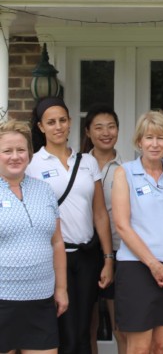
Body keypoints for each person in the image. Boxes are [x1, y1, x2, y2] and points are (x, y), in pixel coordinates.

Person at [27, 97, 114, 354]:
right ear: (41, 127)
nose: (58, 127)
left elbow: (100, 213)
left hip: (87, 257)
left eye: (62, 120)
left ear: (70, 122)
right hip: (53, 258)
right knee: (63, 330)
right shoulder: (32, 164)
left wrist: (108, 258)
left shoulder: (87, 162)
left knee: (84, 329)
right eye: (51, 122)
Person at [112, 110, 163, 354]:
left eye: (160, 138)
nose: (154, 144)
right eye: (149, 137)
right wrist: (153, 264)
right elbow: (122, 225)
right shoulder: (124, 172)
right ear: (139, 141)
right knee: (139, 348)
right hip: (136, 268)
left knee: (160, 346)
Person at [0, 119, 68, 354]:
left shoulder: (45, 190)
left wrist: (61, 289)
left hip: (41, 300)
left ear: (29, 153)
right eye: (7, 151)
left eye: (21, 150)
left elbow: (57, 242)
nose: (15, 156)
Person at [83, 104, 126, 354]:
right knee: (87, 325)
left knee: (121, 325)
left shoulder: (127, 168)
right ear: (88, 132)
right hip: (85, 249)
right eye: (99, 127)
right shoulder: (78, 166)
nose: (106, 133)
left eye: (111, 127)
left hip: (119, 249)